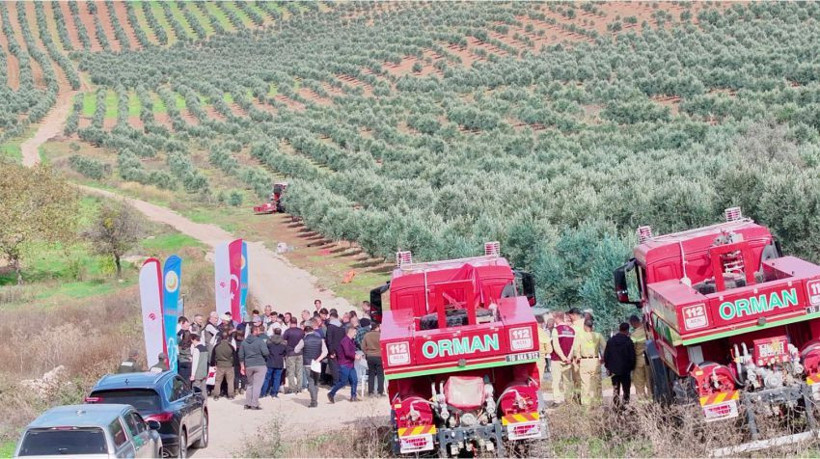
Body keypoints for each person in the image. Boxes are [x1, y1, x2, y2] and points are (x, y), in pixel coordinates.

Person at [571, 319, 605, 406]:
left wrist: (577, 358)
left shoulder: (580, 336)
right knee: (597, 383)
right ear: (592, 326)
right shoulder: (598, 335)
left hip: (584, 361)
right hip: (595, 361)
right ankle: (598, 402)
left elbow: (575, 350)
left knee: (585, 384)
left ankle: (586, 403)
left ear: (585, 326)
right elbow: (606, 347)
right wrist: (604, 358)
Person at [295, 321, 328, 408]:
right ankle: (315, 399)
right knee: (316, 382)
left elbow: (296, 350)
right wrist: (318, 359)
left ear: (305, 331)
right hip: (317, 363)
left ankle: (314, 401)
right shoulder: (320, 340)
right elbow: (325, 352)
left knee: (311, 382)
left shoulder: (304, 340)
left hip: (307, 363)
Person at [604, 323, 637, 408]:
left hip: (614, 369)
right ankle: (626, 405)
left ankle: (616, 406)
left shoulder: (610, 341)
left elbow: (606, 355)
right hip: (625, 369)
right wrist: (632, 367)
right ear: (627, 330)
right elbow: (632, 356)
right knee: (626, 389)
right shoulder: (628, 341)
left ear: (619, 329)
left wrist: (608, 367)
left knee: (615, 388)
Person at [239, 325, 269, 410]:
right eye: (258, 330)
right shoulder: (260, 341)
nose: (259, 332)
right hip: (260, 364)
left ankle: (248, 403)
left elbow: (241, 355)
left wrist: (242, 366)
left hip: (248, 365)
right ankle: (254, 404)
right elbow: (266, 353)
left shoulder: (244, 342)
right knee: (257, 385)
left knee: (250, 385)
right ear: (255, 331)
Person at [327, 326, 360, 403]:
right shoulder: (345, 341)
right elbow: (347, 352)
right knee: (343, 382)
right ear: (350, 332)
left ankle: (353, 396)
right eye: (355, 332)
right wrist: (355, 356)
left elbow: (351, 351)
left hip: (350, 364)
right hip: (344, 364)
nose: (356, 334)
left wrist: (356, 355)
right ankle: (331, 393)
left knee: (354, 380)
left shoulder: (351, 341)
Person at [549, 312, 575, 406]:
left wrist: (563, 358)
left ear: (556, 318)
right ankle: (568, 400)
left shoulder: (556, 330)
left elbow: (556, 346)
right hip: (568, 360)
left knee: (556, 381)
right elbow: (573, 346)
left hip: (557, 360)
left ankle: (557, 401)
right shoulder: (572, 330)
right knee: (567, 381)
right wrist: (569, 357)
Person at [261, 328, 287, 398]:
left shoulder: (269, 341)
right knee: (277, 378)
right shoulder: (284, 342)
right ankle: (274, 393)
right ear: (281, 333)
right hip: (279, 362)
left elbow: (266, 351)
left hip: (270, 361)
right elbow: (285, 353)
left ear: (273, 332)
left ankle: (263, 392)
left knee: (267, 378)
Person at [630, 315, 651, 400]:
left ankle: (643, 402)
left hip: (638, 360)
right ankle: (652, 399)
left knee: (639, 383)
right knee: (650, 381)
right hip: (649, 360)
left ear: (633, 323)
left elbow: (631, 349)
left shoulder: (634, 335)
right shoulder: (648, 331)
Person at [283, 317, 305, 394]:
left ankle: (292, 388)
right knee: (299, 371)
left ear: (290, 322)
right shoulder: (301, 331)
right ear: (296, 323)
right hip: (299, 353)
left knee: (291, 371)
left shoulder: (287, 331)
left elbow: (284, 342)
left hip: (290, 353)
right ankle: (299, 388)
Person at [211, 331, 235, 400]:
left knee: (218, 381)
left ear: (221, 337)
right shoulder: (231, 346)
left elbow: (213, 356)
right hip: (229, 365)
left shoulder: (216, 346)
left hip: (219, 365)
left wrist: (213, 365)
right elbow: (234, 356)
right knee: (230, 381)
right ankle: (230, 395)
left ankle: (216, 395)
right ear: (228, 338)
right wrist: (233, 364)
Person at [362, 322, 384, 396]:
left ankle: (370, 392)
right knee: (380, 374)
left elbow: (363, 347)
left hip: (370, 357)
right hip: (379, 356)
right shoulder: (381, 335)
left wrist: (366, 353)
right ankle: (380, 392)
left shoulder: (366, 335)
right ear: (377, 327)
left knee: (371, 373)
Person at [325, 311, 345, 385]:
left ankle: (336, 383)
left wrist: (331, 351)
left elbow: (329, 340)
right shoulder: (342, 327)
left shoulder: (330, 327)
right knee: (340, 367)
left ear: (331, 318)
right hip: (341, 350)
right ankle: (340, 382)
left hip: (333, 350)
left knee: (334, 368)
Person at [535, 315, 552, 382]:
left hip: (528, 358)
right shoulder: (543, 333)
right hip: (540, 357)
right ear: (542, 323)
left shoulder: (529, 331)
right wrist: (545, 352)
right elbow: (549, 349)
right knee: (539, 378)